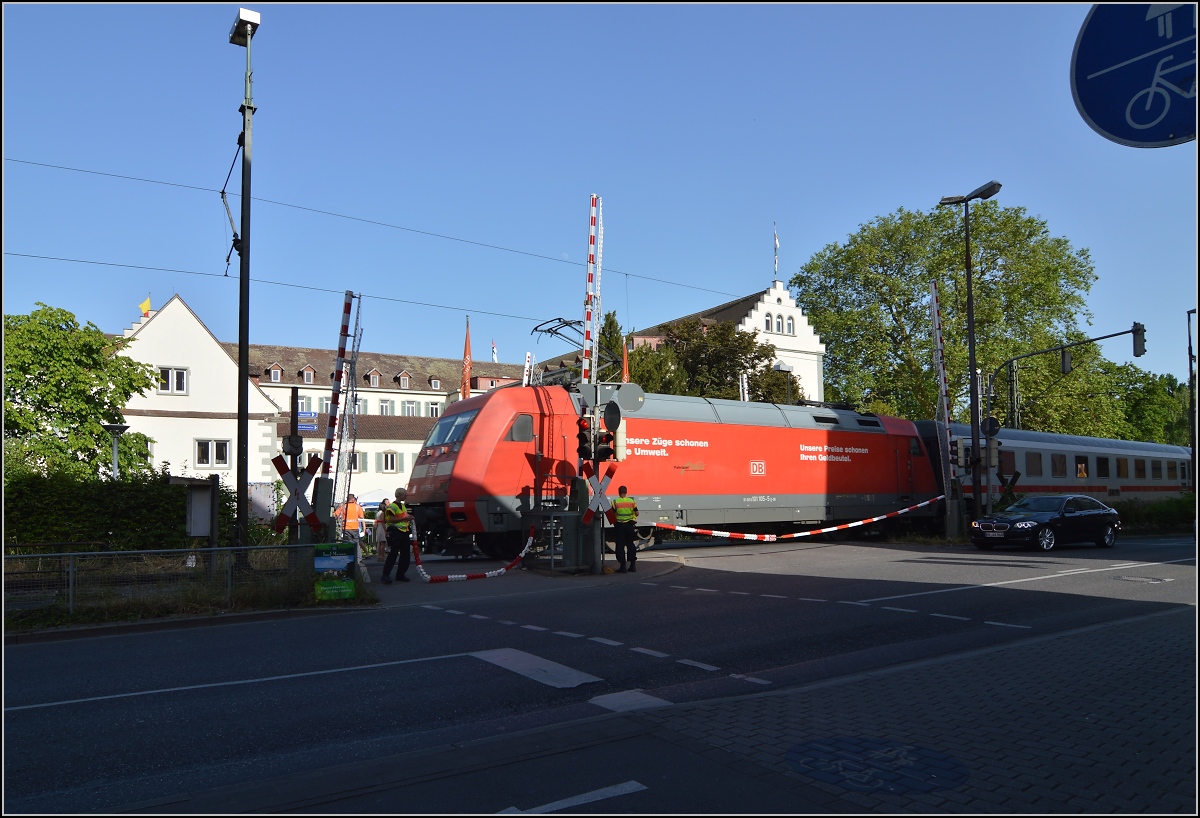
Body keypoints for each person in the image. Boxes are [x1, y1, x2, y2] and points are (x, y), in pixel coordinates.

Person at [380, 487, 414, 583]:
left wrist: (409, 518)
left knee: (405, 554)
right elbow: (389, 519)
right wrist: (405, 519)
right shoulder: (392, 506)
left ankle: (400, 574)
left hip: (404, 531)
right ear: (399, 495)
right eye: (404, 494)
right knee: (393, 553)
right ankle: (386, 575)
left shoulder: (402, 506)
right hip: (395, 531)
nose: (406, 496)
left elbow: (403, 517)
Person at [612, 485, 639, 573]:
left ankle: (623, 566)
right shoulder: (631, 501)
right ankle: (633, 566)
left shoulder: (615, 502)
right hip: (630, 526)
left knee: (620, 545)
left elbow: (612, 514)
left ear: (618, 492)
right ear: (626, 492)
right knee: (630, 545)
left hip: (620, 526)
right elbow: (637, 513)